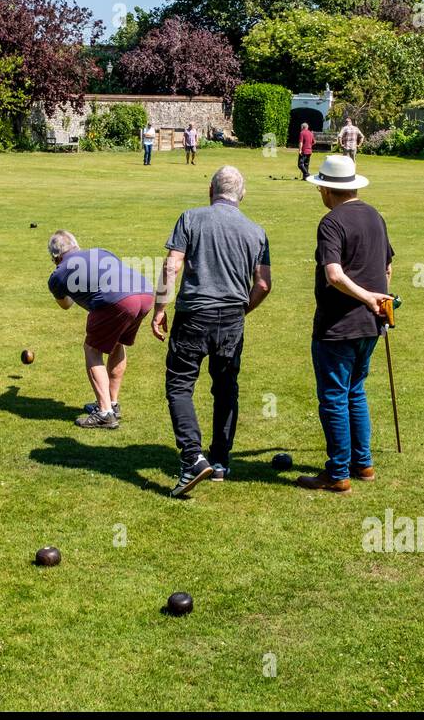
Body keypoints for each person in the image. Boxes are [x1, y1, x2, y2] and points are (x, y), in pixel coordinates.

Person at [152, 166, 271, 496]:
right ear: (241, 195)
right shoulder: (256, 232)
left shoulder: (191, 218)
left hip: (193, 314)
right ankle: (219, 461)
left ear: (210, 189)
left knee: (179, 385)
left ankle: (192, 458)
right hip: (232, 317)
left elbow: (171, 265)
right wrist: (241, 308)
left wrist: (160, 309)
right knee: (226, 386)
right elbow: (263, 284)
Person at [297, 156, 393, 492]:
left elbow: (334, 274)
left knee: (335, 396)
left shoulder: (331, 222)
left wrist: (366, 296)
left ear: (326, 189)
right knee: (356, 391)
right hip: (371, 325)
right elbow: (388, 266)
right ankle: (362, 464)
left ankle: (338, 473)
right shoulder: (375, 216)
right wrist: (378, 297)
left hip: (338, 325)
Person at [47, 231, 154, 429]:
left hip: (119, 300)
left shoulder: (58, 274)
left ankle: (105, 413)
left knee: (92, 350)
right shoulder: (101, 252)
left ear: (55, 257)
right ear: (76, 245)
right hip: (145, 293)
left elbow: (66, 304)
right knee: (117, 344)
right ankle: (112, 404)